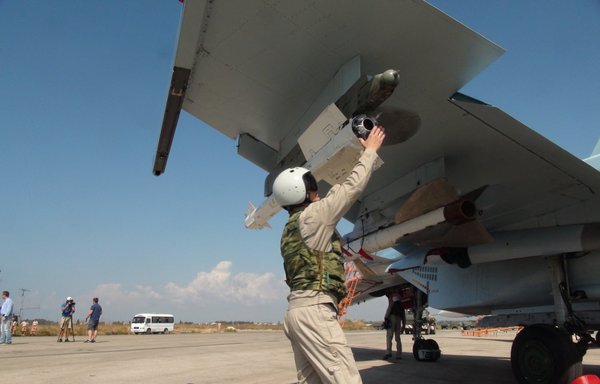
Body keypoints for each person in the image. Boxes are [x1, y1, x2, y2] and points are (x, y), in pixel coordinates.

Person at [273, 126, 385, 383]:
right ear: (300, 192)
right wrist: (369, 152)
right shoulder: (314, 217)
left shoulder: (292, 227)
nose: (316, 190)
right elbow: (350, 190)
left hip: (296, 314)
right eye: (311, 186)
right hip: (314, 312)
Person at [383, 288, 406, 360]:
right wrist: (403, 326)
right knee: (398, 338)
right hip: (399, 320)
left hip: (392, 318)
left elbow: (389, 310)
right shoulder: (401, 305)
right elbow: (404, 317)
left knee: (389, 337)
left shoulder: (392, 301)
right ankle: (399, 355)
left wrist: (386, 319)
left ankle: (388, 352)